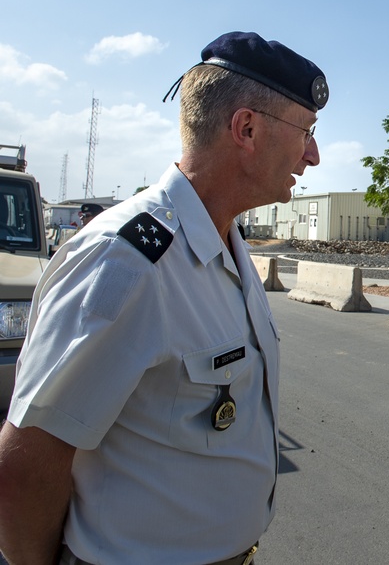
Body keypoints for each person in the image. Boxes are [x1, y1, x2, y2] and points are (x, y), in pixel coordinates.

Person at [0, 31, 328, 565]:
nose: (313, 154)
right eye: (306, 132)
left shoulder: (227, 244)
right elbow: (26, 466)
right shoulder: (126, 262)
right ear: (246, 128)